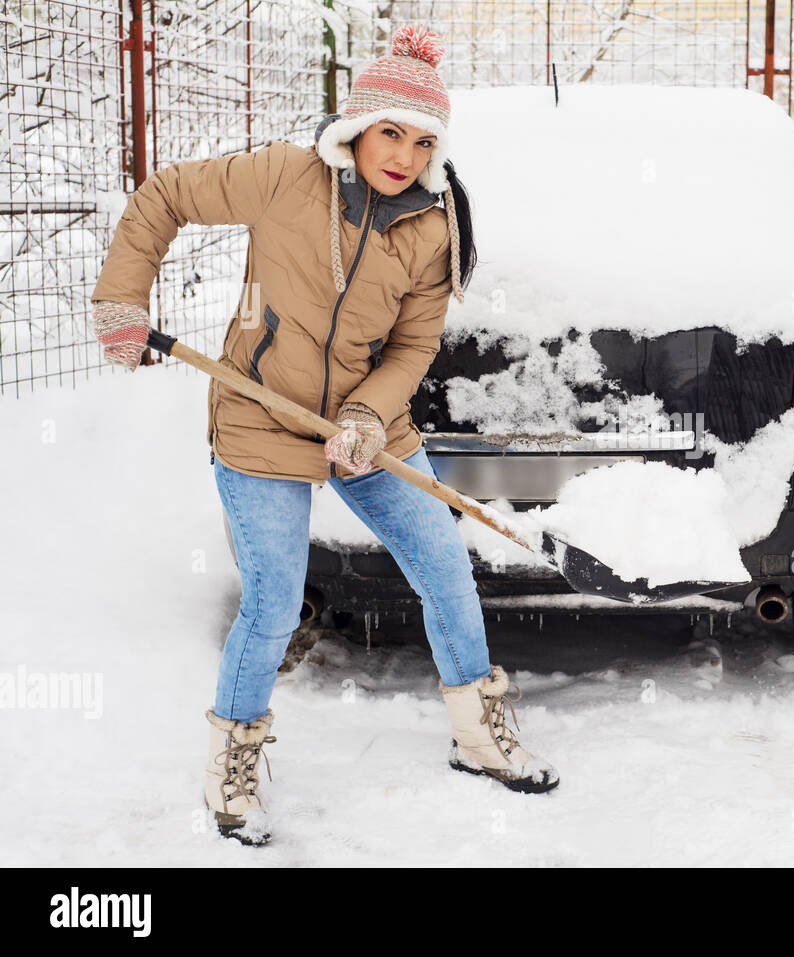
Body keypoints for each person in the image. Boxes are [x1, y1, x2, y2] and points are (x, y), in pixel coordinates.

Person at [88, 24, 559, 846]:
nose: (404, 155)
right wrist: (123, 302)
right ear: (357, 127)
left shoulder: (436, 223)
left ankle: (480, 736)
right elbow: (166, 194)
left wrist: (369, 415)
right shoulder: (283, 176)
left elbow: (413, 346)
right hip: (262, 412)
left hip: (368, 426)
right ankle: (232, 761)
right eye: (391, 133)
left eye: (422, 141)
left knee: (446, 566)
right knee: (273, 602)